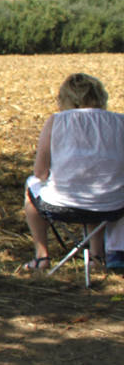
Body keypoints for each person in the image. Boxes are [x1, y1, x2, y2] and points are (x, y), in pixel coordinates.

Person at [22, 73, 124, 270]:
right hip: (113, 205)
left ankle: (42, 257)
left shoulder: (56, 121)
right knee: (98, 187)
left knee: (31, 185)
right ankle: (96, 256)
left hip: (61, 204)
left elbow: (40, 172)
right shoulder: (120, 122)